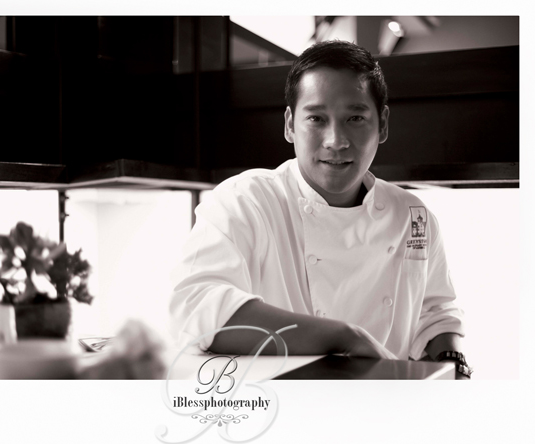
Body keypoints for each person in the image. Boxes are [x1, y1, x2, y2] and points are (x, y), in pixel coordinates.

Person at [168, 40, 472, 378]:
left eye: (355, 117)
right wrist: (343, 337)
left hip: (387, 400)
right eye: (316, 118)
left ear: (382, 124)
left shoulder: (412, 215)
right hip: (280, 401)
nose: (336, 141)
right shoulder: (246, 200)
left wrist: (453, 364)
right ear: (290, 124)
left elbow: (436, 312)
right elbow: (195, 307)